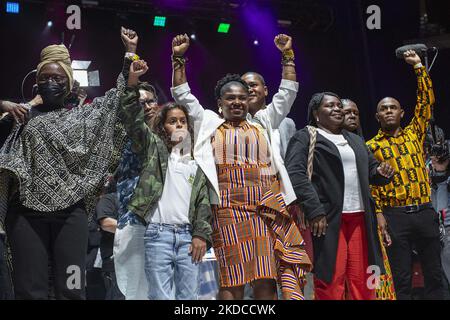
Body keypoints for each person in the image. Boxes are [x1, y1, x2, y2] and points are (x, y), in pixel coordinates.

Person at [0, 26, 138, 299]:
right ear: (36, 82)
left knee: (73, 289)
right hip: (25, 216)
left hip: (71, 216)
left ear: (70, 83)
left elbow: (116, 101)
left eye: (58, 77)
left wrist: (130, 54)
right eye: (45, 77)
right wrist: (3, 105)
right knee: (30, 291)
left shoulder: (85, 118)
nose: (52, 82)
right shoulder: (19, 117)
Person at [171, 33, 312, 300]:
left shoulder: (263, 121)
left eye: (241, 97)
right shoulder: (209, 122)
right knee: (232, 276)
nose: (236, 102)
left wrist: (287, 56)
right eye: (230, 98)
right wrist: (178, 59)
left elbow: (287, 93)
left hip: (264, 207)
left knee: (265, 275)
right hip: (227, 209)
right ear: (220, 104)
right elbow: (182, 95)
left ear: (248, 100)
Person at [118, 60, 212, 300]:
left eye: (183, 121)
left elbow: (203, 204)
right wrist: (132, 81)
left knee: (189, 298)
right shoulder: (154, 150)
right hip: (157, 235)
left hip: (188, 237)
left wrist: (201, 235)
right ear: (163, 127)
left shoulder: (196, 162)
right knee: (160, 297)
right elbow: (132, 119)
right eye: (172, 121)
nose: (179, 124)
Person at [286, 92, 394, 300]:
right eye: (330, 106)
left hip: (361, 218)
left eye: (338, 105)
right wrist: (315, 210)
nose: (337, 109)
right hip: (327, 219)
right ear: (317, 114)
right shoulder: (306, 136)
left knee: (365, 277)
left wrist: (381, 173)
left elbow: (371, 171)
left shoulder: (354, 139)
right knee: (331, 279)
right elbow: (295, 173)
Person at [366, 50, 443, 300]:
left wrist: (419, 67)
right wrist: (379, 215)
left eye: (393, 108)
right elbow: (372, 186)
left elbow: (425, 103)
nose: (388, 111)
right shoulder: (371, 146)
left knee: (434, 273)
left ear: (401, 113)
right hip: (394, 215)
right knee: (402, 278)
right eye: (383, 109)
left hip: (423, 211)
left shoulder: (414, 134)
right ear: (377, 116)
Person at [342, 98, 397, 300]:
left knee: (372, 268)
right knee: (348, 272)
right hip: (343, 220)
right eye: (347, 112)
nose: (351, 116)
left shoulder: (361, 145)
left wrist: (379, 213)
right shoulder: (331, 144)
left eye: (355, 112)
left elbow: (370, 183)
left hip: (368, 217)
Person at [113, 83, 160, 300]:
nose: (148, 106)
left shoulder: (171, 136)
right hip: (135, 220)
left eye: (151, 101)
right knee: (135, 290)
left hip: (163, 222)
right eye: (142, 103)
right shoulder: (130, 135)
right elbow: (133, 118)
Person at [241, 72, 296, 159]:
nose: (249, 90)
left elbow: (293, 158)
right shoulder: (235, 123)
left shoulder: (287, 123)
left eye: (253, 85)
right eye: (244, 87)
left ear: (265, 90)